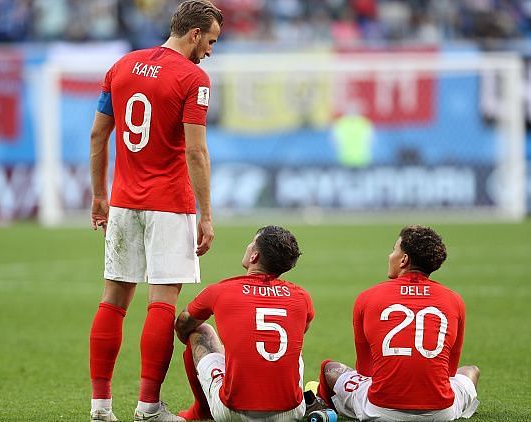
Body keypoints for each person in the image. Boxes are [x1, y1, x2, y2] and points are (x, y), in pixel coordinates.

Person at [87, 1, 223, 421]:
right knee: (161, 304)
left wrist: (98, 195)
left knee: (112, 301)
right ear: (195, 33)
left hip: (124, 202)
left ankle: (100, 408)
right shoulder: (192, 78)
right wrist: (206, 214)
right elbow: (196, 152)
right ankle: (148, 408)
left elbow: (98, 135)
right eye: (212, 41)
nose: (211, 51)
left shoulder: (121, 66)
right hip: (169, 204)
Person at [314, 225, 480, 421]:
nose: (389, 255)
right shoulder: (454, 300)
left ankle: (320, 404)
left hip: (380, 410)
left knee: (330, 368)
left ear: (404, 259)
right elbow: (450, 372)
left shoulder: (367, 297)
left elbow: (366, 371)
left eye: (394, 250)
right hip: (441, 412)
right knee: (470, 371)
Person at [174, 225, 315, 422]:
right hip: (291, 411)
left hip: (233, 411)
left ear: (254, 257)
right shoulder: (302, 297)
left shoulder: (221, 290)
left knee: (201, 330)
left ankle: (201, 412)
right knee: (294, 348)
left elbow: (182, 325)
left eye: (251, 243)